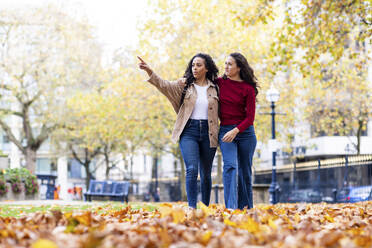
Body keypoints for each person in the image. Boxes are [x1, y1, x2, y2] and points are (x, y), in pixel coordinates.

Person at [138, 53, 219, 208]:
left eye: (199, 65)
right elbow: (163, 85)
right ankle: (192, 207)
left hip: (210, 133)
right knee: (192, 169)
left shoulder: (216, 88)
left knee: (206, 174)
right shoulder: (184, 85)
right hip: (189, 131)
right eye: (193, 65)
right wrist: (149, 71)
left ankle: (205, 208)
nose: (195, 68)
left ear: (207, 68)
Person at [217, 52, 258, 209]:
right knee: (230, 166)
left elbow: (250, 118)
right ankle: (231, 207)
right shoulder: (219, 83)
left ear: (239, 67)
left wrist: (236, 131)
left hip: (245, 132)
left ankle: (246, 208)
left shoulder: (248, 89)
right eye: (225, 63)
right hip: (225, 131)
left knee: (245, 171)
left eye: (230, 64)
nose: (226, 67)